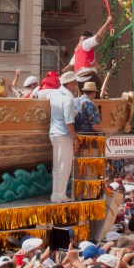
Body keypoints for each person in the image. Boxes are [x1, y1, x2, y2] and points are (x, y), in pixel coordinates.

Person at [40, 70, 79, 203]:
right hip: (64, 135)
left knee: (57, 166)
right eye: (75, 82)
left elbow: (39, 94)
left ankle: (56, 194)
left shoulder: (54, 93)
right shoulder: (68, 98)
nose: (76, 84)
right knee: (64, 166)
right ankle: (60, 195)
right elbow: (69, 122)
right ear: (69, 84)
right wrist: (75, 138)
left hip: (54, 133)